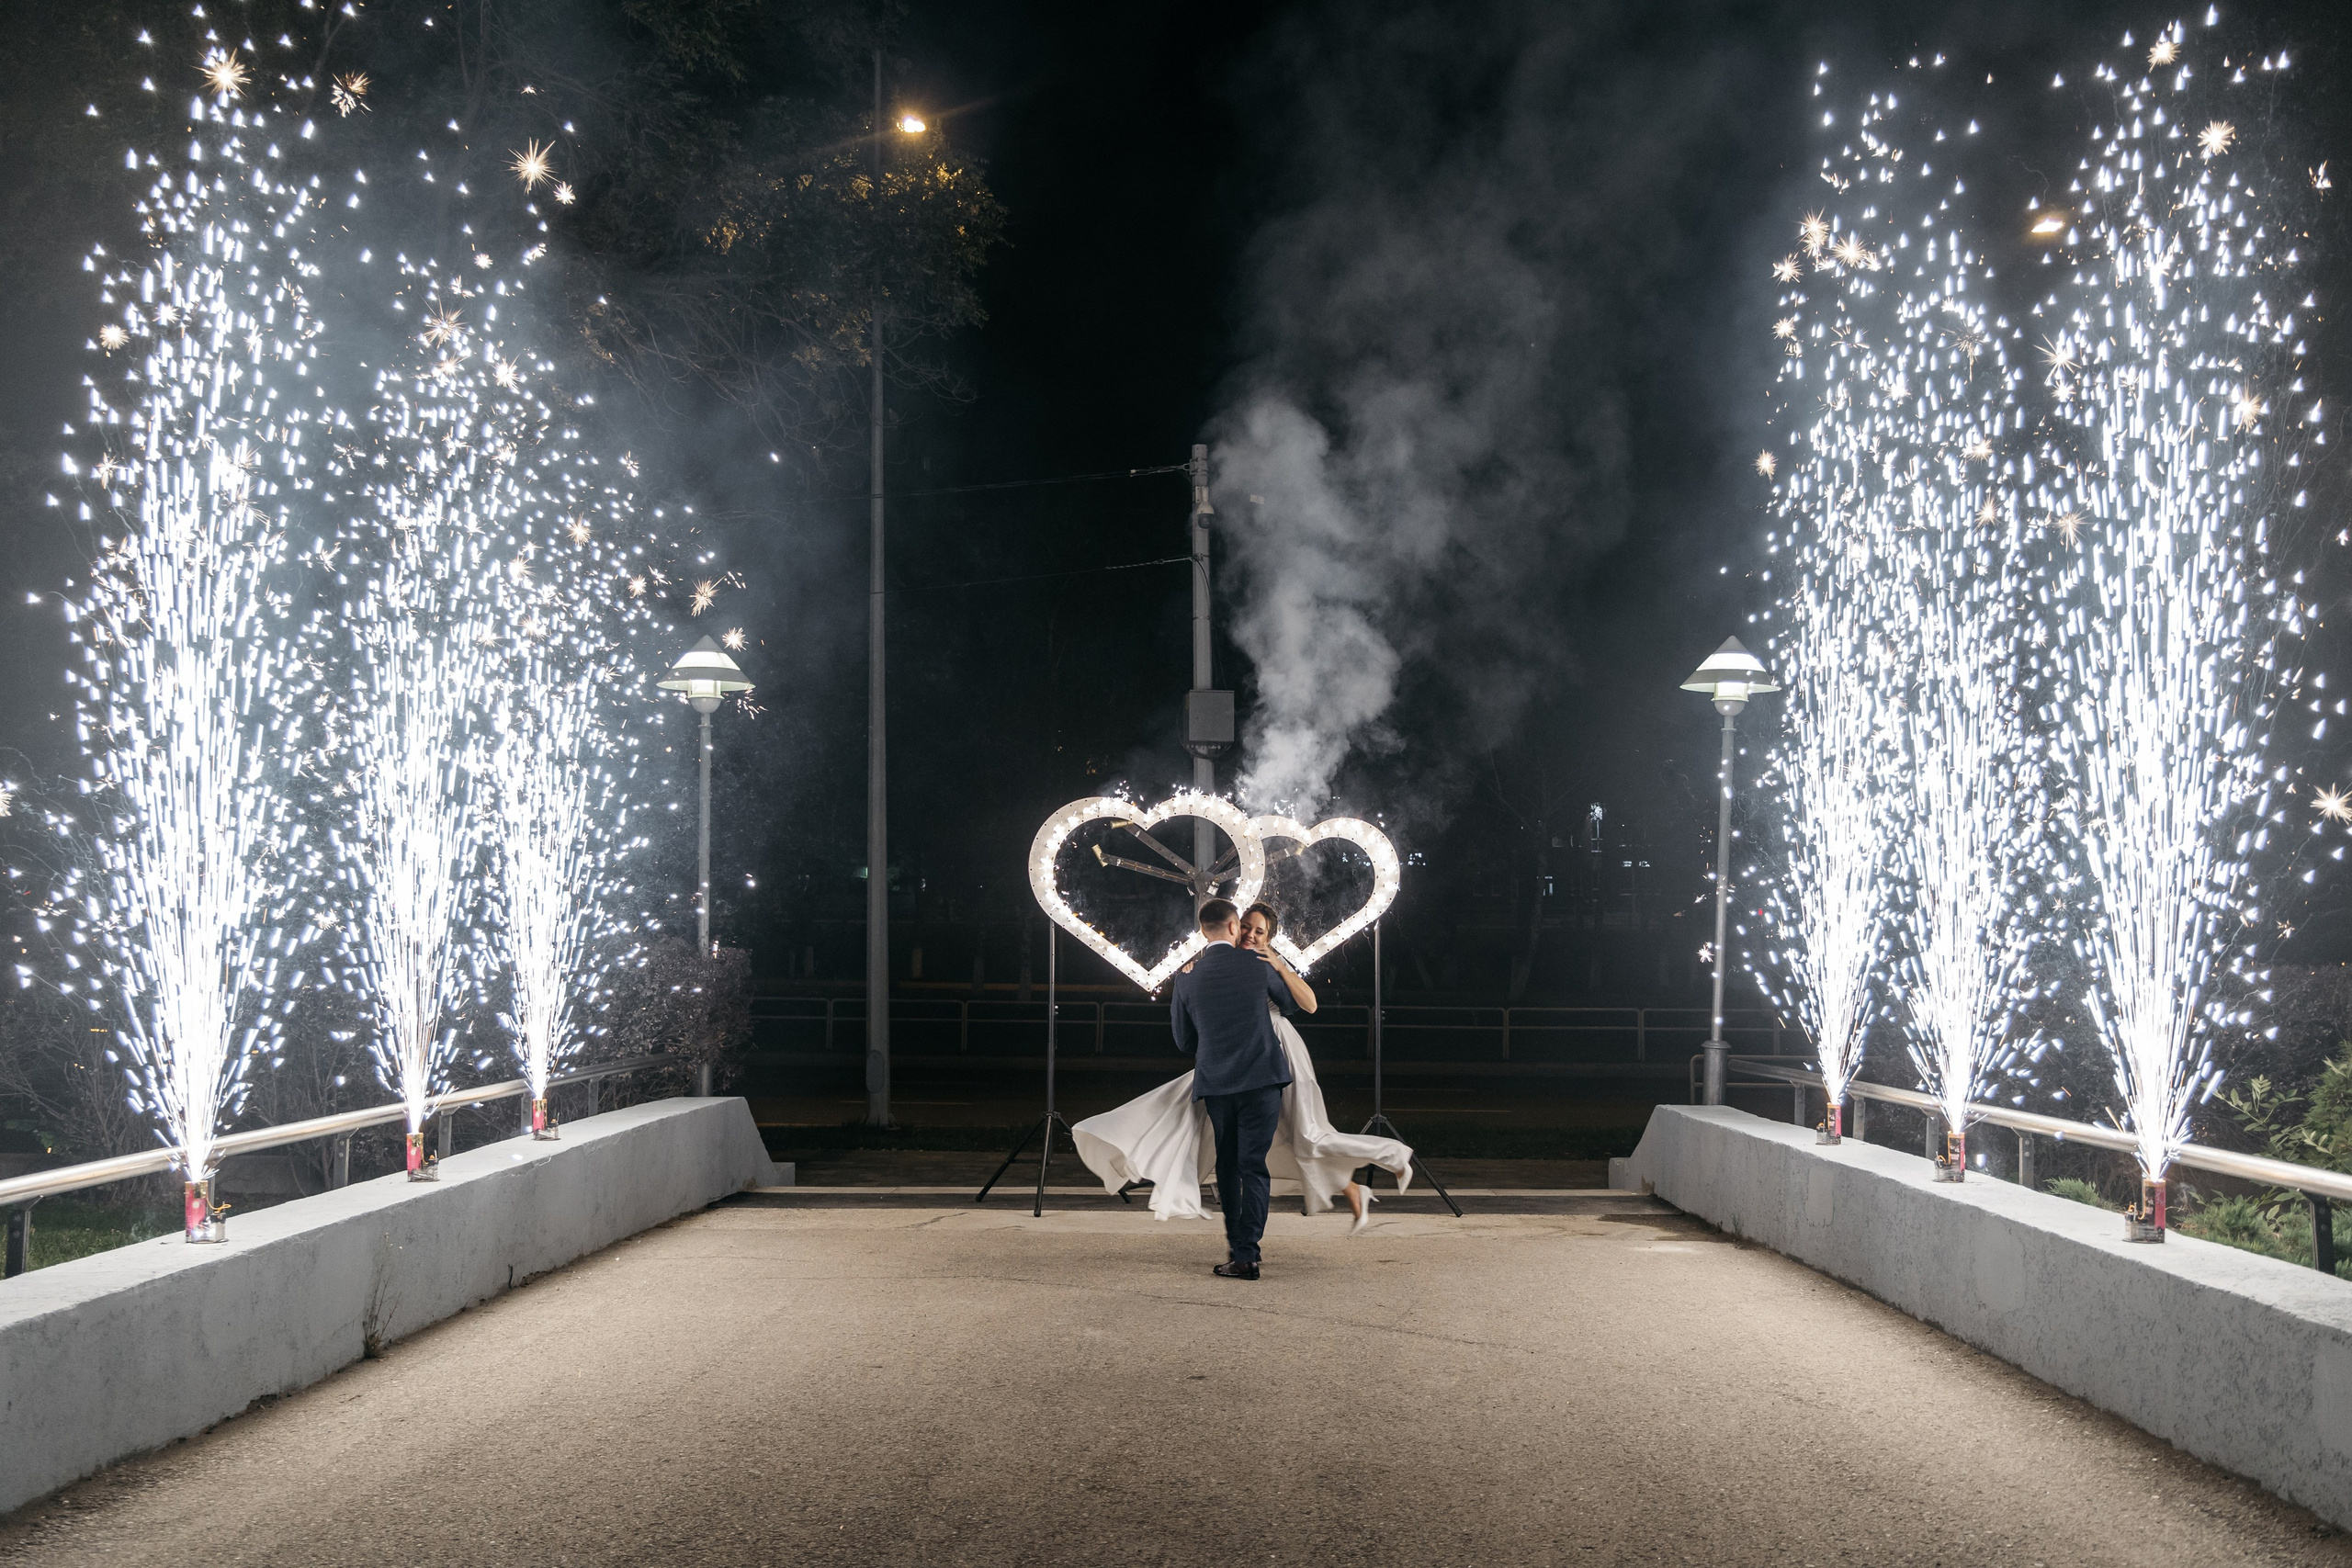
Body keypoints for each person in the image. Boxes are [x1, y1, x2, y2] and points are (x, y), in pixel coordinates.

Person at [1070, 899, 1414, 1275]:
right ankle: (1249, 1251)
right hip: (1265, 1078)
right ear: (1234, 926)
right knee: (1256, 1167)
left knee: (1231, 1166)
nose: (1250, 935)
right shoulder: (1256, 966)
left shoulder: (1186, 977)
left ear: (1204, 931)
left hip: (1217, 1083)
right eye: (1246, 928)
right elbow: (1289, 1005)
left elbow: (1185, 1042)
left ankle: (1241, 1252)